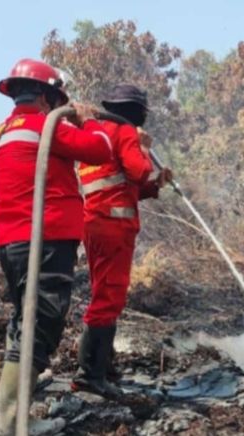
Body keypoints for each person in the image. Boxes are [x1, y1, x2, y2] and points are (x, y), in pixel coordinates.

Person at [0, 59, 113, 434]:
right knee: (40, 326)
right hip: (43, 241)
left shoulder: (1, 132)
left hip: (11, 241)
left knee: (24, 322)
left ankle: (14, 418)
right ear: (46, 96)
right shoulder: (46, 126)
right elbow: (100, 149)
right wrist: (84, 119)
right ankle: (11, 426)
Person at [72, 84, 172, 397]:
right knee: (109, 297)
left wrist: (157, 184)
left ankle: (104, 366)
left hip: (96, 224)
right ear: (136, 112)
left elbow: (123, 184)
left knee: (105, 293)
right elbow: (137, 170)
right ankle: (90, 375)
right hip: (113, 226)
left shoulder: (98, 135)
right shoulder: (125, 132)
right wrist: (142, 146)